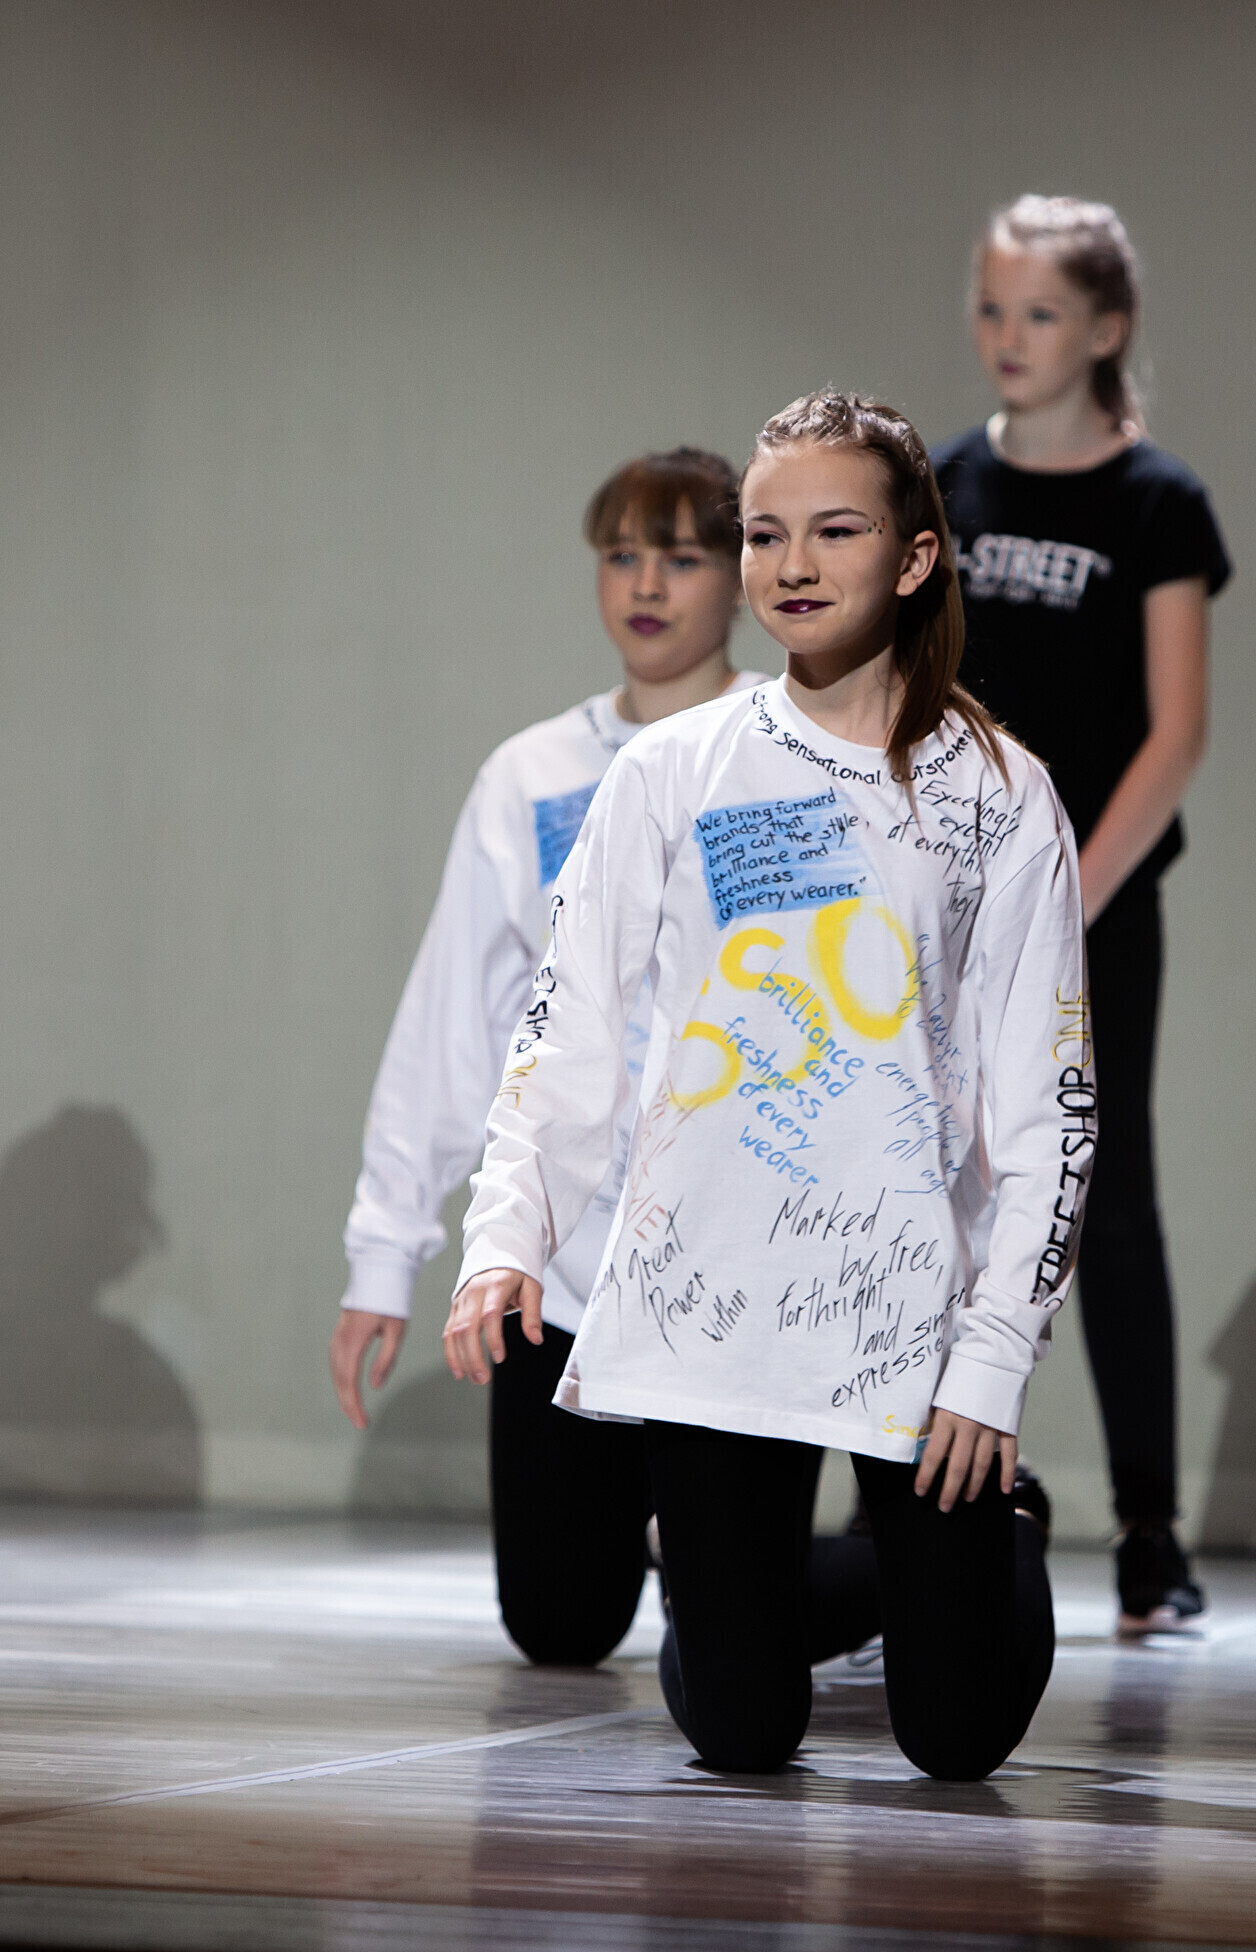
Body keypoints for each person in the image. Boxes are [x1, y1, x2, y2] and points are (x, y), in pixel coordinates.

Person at [444, 391, 1086, 1780]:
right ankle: (718, 1578)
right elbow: (569, 1025)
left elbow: (1052, 1113)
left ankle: (1003, 1537)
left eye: (835, 531)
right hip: (712, 1302)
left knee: (957, 1737)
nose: (791, 564)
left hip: (912, 1316)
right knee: (739, 1731)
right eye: (764, 533)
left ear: (915, 557)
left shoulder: (1000, 794)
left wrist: (994, 1360)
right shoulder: (673, 770)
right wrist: (507, 1236)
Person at [332, 448, 870, 1667]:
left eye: (682, 556)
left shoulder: (795, 753)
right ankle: (686, 1546)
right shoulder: (531, 774)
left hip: (738, 1264)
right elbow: (455, 1018)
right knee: (559, 1623)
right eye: (623, 554)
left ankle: (942, 1556)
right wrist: (385, 1252)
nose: (647, 584)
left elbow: (838, 1013)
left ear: (740, 575)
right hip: (565, 1271)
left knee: (742, 1630)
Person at [932, 195, 1232, 1633]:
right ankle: (910, 1505)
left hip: (1093, 910)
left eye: (1040, 312)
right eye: (993, 308)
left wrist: (1061, 901)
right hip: (942, 911)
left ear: (1105, 328)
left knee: (1105, 1201)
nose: (1009, 336)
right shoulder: (942, 484)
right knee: (929, 1188)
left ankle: (1150, 1536)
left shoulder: (1157, 503)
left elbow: (1176, 736)